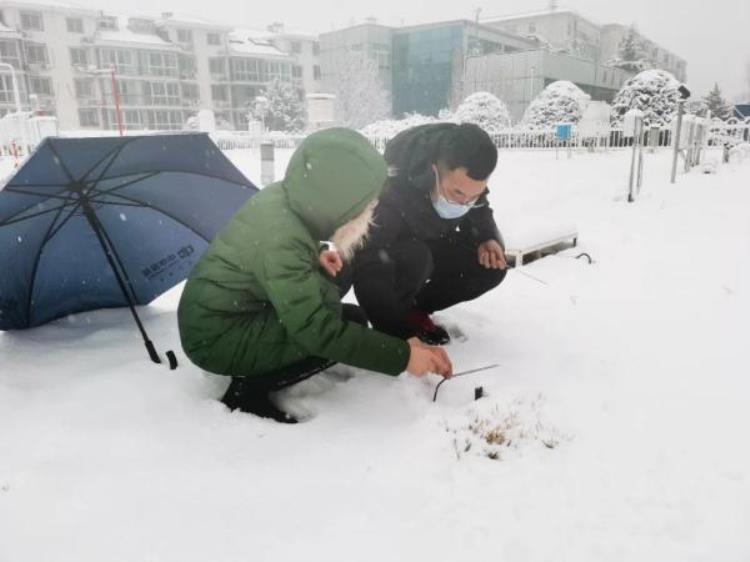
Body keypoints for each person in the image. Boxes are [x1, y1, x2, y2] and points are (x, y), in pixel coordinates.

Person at [177, 128, 452, 423]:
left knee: (343, 310)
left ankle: (262, 365)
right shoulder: (282, 240)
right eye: (366, 202)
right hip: (216, 337)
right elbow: (316, 331)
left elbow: (285, 247)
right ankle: (248, 393)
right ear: (337, 199)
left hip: (234, 312)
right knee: (327, 332)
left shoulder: (289, 196)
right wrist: (404, 357)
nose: (372, 208)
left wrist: (319, 248)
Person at [352, 123, 507, 346]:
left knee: (489, 267)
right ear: (433, 171)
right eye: (457, 193)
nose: (465, 203)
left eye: (475, 195)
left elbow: (480, 208)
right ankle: (399, 315)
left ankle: (416, 309)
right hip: (395, 254)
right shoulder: (391, 188)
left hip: (432, 242)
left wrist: (486, 237)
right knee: (417, 257)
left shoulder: (468, 179)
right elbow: (367, 265)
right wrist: (399, 341)